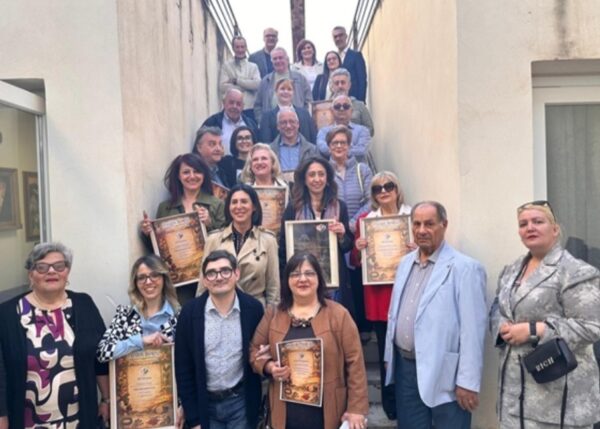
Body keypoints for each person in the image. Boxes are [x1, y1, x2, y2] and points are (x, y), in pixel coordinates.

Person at [490, 200, 600, 428]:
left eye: (538, 221)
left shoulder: (575, 271)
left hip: (559, 405)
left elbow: (592, 326)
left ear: (555, 229)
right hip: (513, 400)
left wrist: (535, 330)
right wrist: (501, 326)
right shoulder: (511, 270)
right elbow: (497, 308)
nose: (529, 227)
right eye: (523, 224)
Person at [384, 201, 487, 429]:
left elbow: (473, 331)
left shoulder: (465, 268)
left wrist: (468, 382)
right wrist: (389, 359)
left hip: (445, 373)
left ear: (444, 225)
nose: (422, 230)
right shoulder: (404, 264)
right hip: (405, 369)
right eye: (417, 224)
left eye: (429, 224)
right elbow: (394, 314)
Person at [250, 252, 369, 429]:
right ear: (287, 280)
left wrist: (356, 409)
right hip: (285, 414)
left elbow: (355, 363)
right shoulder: (273, 314)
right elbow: (254, 351)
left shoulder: (339, 315)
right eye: (295, 274)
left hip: (328, 413)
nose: (302, 279)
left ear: (319, 279)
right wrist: (269, 367)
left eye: (309, 273)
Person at [0, 242, 109, 428]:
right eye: (42, 267)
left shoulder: (84, 304)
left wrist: (106, 398)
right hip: (28, 422)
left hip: (79, 420)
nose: (51, 271)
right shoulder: (7, 314)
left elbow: (101, 357)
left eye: (59, 266)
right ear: (30, 274)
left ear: (67, 272)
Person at [175, 250, 264, 429]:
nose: (219, 277)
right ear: (205, 280)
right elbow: (183, 367)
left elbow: (259, 354)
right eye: (211, 273)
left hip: (241, 403)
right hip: (205, 405)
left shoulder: (253, 309)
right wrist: (194, 418)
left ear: (236, 274)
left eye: (225, 271)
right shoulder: (190, 313)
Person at [350, 171, 411, 420]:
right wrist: (358, 249)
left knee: (408, 351)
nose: (383, 191)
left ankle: (409, 399)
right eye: (377, 188)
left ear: (397, 189)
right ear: (373, 195)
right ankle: (389, 401)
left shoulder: (412, 218)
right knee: (386, 352)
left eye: (388, 186)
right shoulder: (365, 221)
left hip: (407, 293)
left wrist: (417, 248)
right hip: (379, 296)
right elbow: (356, 262)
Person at [141, 153, 225, 302]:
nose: (192, 176)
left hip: (210, 277)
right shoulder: (165, 207)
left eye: (197, 171)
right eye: (186, 172)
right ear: (178, 176)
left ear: (204, 175)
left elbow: (225, 241)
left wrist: (209, 224)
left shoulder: (217, 204)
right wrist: (148, 234)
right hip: (177, 282)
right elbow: (157, 250)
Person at [279, 156, 355, 314]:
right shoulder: (293, 208)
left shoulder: (340, 206)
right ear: (304, 180)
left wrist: (342, 235)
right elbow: (284, 246)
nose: (317, 179)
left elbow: (347, 246)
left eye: (321, 174)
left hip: (334, 280)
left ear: (327, 178)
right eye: (311, 175)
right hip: (302, 277)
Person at [198, 184, 280, 307]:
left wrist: (271, 314)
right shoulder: (213, 239)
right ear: (228, 207)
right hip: (220, 307)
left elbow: (273, 286)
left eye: (244, 202)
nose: (239, 206)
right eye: (234, 202)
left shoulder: (268, 240)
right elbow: (203, 283)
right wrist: (198, 310)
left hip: (256, 309)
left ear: (254, 207)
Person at [97, 254, 180, 362]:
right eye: (142, 277)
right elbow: (102, 352)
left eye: (154, 275)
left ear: (164, 279)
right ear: (135, 283)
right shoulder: (126, 315)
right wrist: (141, 341)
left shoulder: (178, 315)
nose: (148, 282)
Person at [326, 125, 372, 231]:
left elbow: (371, 201)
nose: (339, 146)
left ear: (349, 146)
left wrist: (351, 225)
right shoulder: (323, 172)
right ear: (329, 147)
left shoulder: (363, 170)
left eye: (343, 142)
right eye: (335, 143)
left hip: (359, 230)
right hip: (333, 231)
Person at [254, 47, 312, 123]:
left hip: (296, 123)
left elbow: (309, 102)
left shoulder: (300, 79)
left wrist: (303, 119)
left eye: (280, 58)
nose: (278, 61)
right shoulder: (265, 81)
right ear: (271, 61)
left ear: (287, 59)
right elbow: (258, 105)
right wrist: (262, 121)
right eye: (275, 59)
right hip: (272, 124)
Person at [259, 77, 317, 143]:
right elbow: (266, 142)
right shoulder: (267, 117)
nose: (286, 92)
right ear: (276, 92)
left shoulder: (304, 114)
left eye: (289, 89)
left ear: (293, 92)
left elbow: (313, 138)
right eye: (282, 89)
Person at [202, 88, 259, 155]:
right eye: (231, 103)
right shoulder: (212, 123)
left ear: (243, 106)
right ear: (224, 103)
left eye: (238, 104)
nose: (234, 106)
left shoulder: (251, 125)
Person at [317, 94, 371, 163]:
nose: (341, 109)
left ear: (351, 111)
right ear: (332, 111)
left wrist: (336, 150)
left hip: (357, 168)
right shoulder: (323, 131)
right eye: (337, 106)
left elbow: (361, 150)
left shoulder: (362, 130)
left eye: (346, 106)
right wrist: (348, 149)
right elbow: (323, 149)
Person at [219, 36, 261, 120]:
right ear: (233, 48)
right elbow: (223, 87)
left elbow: (257, 84)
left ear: (246, 48)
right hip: (231, 109)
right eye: (237, 47)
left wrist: (236, 81)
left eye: (242, 47)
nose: (240, 50)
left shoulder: (253, 67)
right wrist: (247, 87)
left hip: (249, 109)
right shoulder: (226, 66)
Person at [269, 107, 319, 174]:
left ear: (298, 124)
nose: (288, 126)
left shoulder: (312, 150)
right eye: (284, 122)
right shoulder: (269, 151)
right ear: (278, 126)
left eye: (292, 121)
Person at [329, 68, 374, 136]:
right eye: (336, 83)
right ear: (332, 86)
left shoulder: (360, 106)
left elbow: (370, 129)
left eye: (343, 82)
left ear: (349, 85)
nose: (340, 86)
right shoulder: (325, 107)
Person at [332, 26, 367, 102]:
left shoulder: (356, 56)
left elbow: (362, 81)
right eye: (335, 37)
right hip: (336, 103)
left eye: (340, 35)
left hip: (353, 101)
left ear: (346, 36)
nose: (338, 38)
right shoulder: (333, 58)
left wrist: (360, 102)